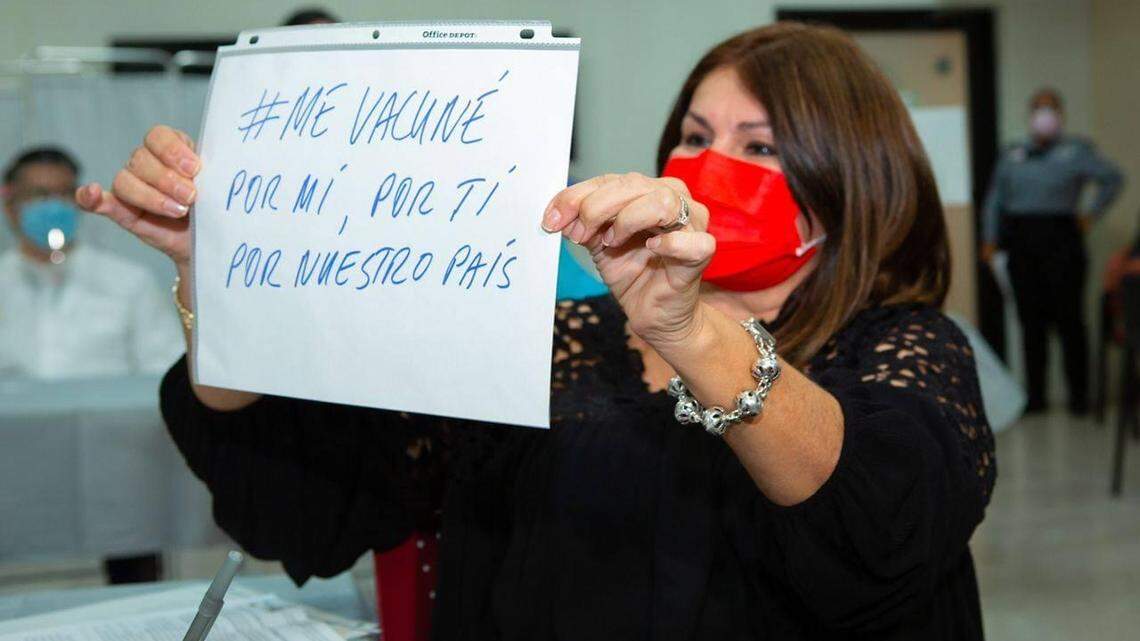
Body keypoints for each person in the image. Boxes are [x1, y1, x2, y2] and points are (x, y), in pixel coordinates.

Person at [78, 22, 996, 639]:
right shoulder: (551, 339)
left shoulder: (903, 347)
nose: (710, 166)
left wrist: (688, 330)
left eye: (759, 146)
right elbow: (320, 489)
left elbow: (882, 532)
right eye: (693, 133)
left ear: (852, 183)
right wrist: (217, 273)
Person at [1, 146, 182, 584]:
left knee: (133, 575)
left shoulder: (126, 281)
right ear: (9, 200)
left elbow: (167, 373)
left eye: (64, 194)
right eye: (39, 194)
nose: (53, 206)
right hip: (13, 469)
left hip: (117, 468)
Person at [980, 88, 1123, 415]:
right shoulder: (1013, 153)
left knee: (1070, 320)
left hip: (1062, 239)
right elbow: (995, 200)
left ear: (1061, 115)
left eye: (1051, 108)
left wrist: (1091, 214)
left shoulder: (1077, 151)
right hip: (1022, 240)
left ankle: (1079, 397)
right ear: (1030, 115)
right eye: (1039, 108)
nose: (1044, 115)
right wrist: (989, 239)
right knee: (1031, 322)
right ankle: (1037, 397)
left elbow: (1113, 179)